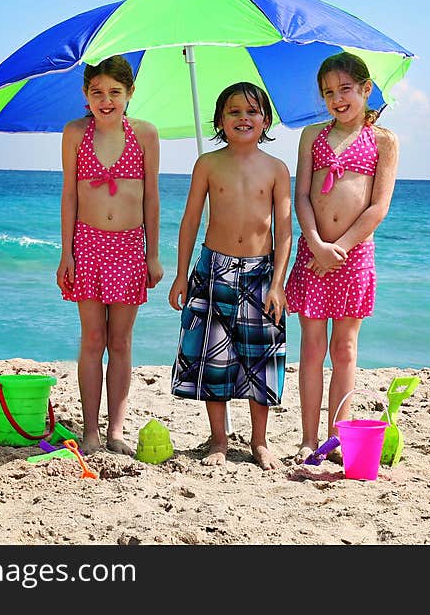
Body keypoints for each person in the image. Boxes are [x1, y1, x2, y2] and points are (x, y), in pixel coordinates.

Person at [168, 82, 292, 470]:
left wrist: (277, 283)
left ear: (266, 120)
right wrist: (181, 274)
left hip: (261, 272)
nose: (243, 118)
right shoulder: (208, 164)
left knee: (261, 357)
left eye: (252, 112)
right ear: (220, 121)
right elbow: (190, 220)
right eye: (234, 112)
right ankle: (218, 439)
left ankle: (259, 441)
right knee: (212, 355)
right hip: (213, 268)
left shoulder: (276, 168)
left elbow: (285, 230)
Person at [284, 52, 399, 464]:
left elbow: (377, 207)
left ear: (366, 90)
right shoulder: (312, 136)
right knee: (311, 348)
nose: (338, 98)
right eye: (329, 92)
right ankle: (308, 437)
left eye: (346, 89)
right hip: (314, 253)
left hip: (353, 256)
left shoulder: (383, 140)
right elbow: (302, 195)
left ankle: (339, 434)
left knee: (345, 348)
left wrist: (341, 248)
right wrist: (315, 242)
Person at [56, 55, 163, 456]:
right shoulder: (74, 133)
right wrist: (65, 253)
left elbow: (151, 198)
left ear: (129, 94)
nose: (106, 100)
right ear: (85, 95)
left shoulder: (146, 134)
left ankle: (115, 430)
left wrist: (153, 253)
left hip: (129, 247)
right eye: (97, 92)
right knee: (93, 339)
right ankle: (90, 432)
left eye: (114, 92)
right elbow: (70, 195)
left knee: (120, 342)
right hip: (87, 244)